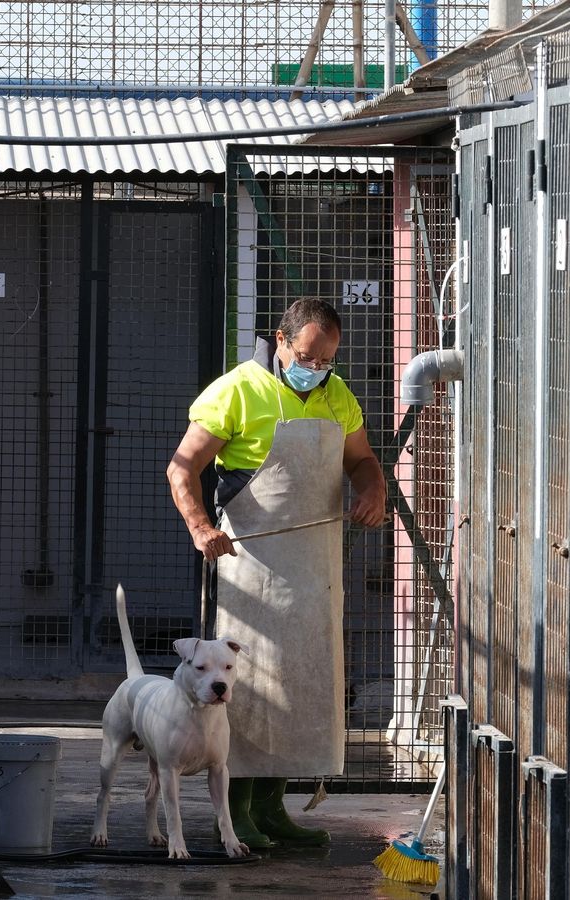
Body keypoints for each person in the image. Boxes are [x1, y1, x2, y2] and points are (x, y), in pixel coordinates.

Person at [165, 298, 387, 848]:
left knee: (303, 690)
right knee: (252, 690)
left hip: (315, 574)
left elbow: (361, 459)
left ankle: (271, 811)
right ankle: (234, 810)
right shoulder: (237, 390)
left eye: (327, 360)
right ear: (281, 342)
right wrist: (199, 529)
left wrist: (374, 488)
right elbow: (182, 467)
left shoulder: (337, 397)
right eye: (308, 356)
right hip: (252, 571)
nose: (317, 368)